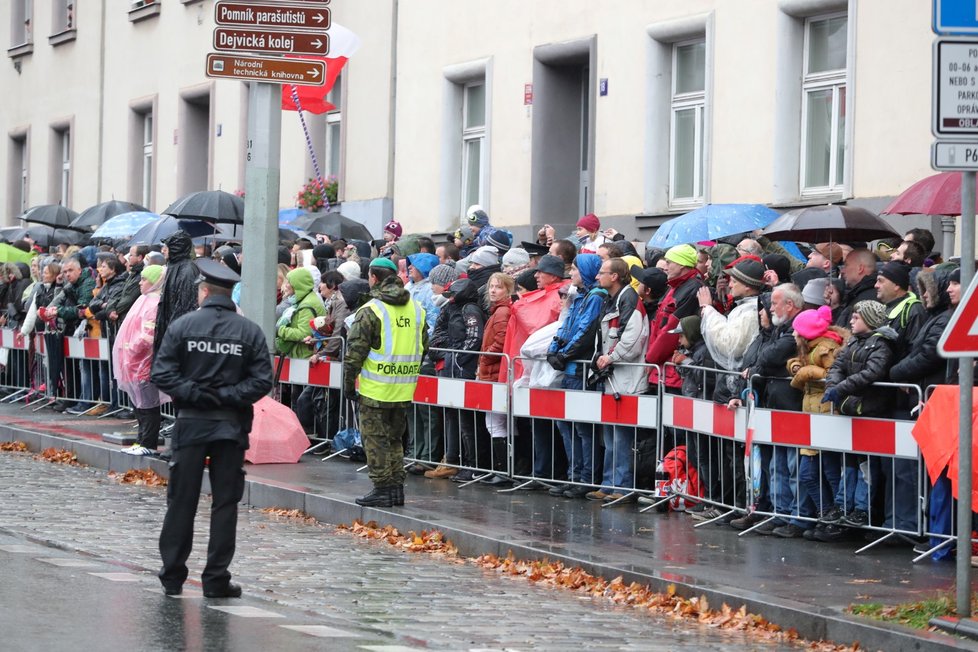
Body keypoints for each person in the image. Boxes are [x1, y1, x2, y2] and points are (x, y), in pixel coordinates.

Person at [150, 258, 274, 599]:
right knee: (225, 505)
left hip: (191, 423)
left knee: (182, 502)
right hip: (230, 427)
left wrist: (195, 394)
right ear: (229, 294)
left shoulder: (183, 326)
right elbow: (263, 380)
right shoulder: (248, 331)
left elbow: (161, 373)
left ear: (204, 291)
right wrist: (228, 396)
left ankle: (173, 576)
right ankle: (216, 578)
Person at [343, 257, 428, 508]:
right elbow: (424, 345)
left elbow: (354, 354)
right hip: (403, 387)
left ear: (373, 278)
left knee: (375, 440)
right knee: (394, 440)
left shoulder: (371, 310)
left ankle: (382, 487)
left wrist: (348, 385)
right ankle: (395, 489)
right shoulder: (416, 308)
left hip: (375, 389)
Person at [590, 257, 650, 503]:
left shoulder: (629, 300)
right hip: (614, 377)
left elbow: (633, 340)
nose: (597, 276)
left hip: (626, 378)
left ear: (615, 276)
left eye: (602, 272)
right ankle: (609, 483)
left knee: (621, 436)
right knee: (612, 435)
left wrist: (610, 358)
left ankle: (621, 487)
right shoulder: (614, 299)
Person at [114, 265, 166, 455]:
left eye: (144, 279)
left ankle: (148, 443)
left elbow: (148, 334)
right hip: (133, 362)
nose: (140, 282)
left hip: (143, 362)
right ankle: (141, 439)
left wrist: (132, 347)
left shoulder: (154, 303)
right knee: (138, 403)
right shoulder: (143, 300)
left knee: (148, 404)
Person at [478, 272, 514, 486]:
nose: (493, 290)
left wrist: (483, 357)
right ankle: (505, 468)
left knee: (495, 423)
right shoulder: (499, 311)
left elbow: (500, 342)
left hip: (494, 372)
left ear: (507, 290)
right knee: (499, 422)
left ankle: (503, 470)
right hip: (493, 371)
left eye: (498, 287)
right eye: (491, 286)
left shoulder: (501, 312)